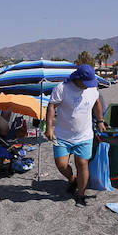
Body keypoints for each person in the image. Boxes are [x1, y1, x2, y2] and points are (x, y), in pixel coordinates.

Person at [45, 65, 104, 207]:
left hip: (84, 135)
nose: (88, 86)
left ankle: (81, 195)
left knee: (82, 164)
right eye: (86, 82)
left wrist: (100, 121)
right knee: (61, 164)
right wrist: (49, 128)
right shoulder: (62, 88)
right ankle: (72, 179)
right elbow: (52, 106)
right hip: (62, 135)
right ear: (78, 78)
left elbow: (97, 103)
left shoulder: (92, 88)